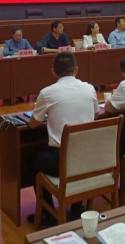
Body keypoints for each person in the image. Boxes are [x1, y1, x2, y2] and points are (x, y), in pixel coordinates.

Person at [27, 52, 97, 225]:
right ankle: (76, 208)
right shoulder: (90, 88)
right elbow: (95, 114)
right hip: (89, 159)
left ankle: (47, 213)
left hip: (62, 162)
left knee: (31, 158)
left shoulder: (47, 93)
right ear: (76, 70)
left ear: (53, 72)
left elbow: (33, 124)